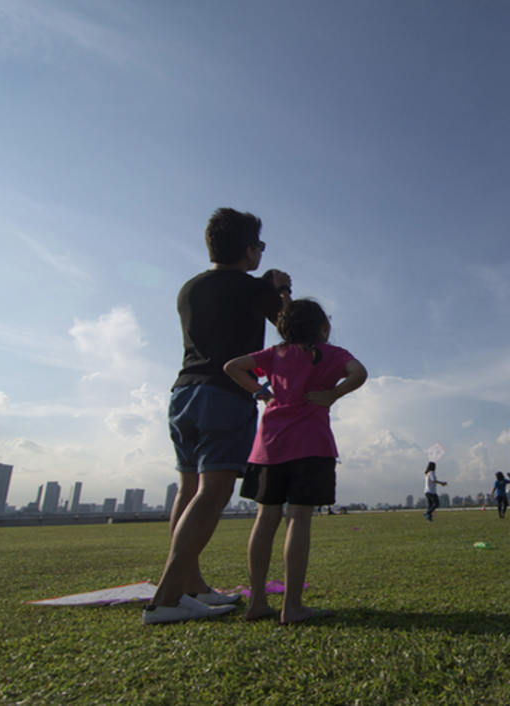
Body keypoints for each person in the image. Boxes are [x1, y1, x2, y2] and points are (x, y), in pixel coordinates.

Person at [145, 207, 292, 625]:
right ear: (248, 251)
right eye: (260, 246)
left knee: (188, 490)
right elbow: (290, 330)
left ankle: (193, 587)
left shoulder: (188, 288)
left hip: (183, 392)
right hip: (225, 394)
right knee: (212, 493)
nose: (261, 252)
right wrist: (280, 290)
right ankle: (167, 597)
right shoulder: (252, 288)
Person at [224, 298, 367, 624]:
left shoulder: (274, 355)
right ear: (323, 328)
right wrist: (334, 394)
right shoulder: (333, 354)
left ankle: (258, 601)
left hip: (269, 448)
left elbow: (232, 367)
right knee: (298, 520)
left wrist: (260, 392)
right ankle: (292, 606)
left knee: (265, 520)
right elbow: (359, 373)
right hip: (311, 447)